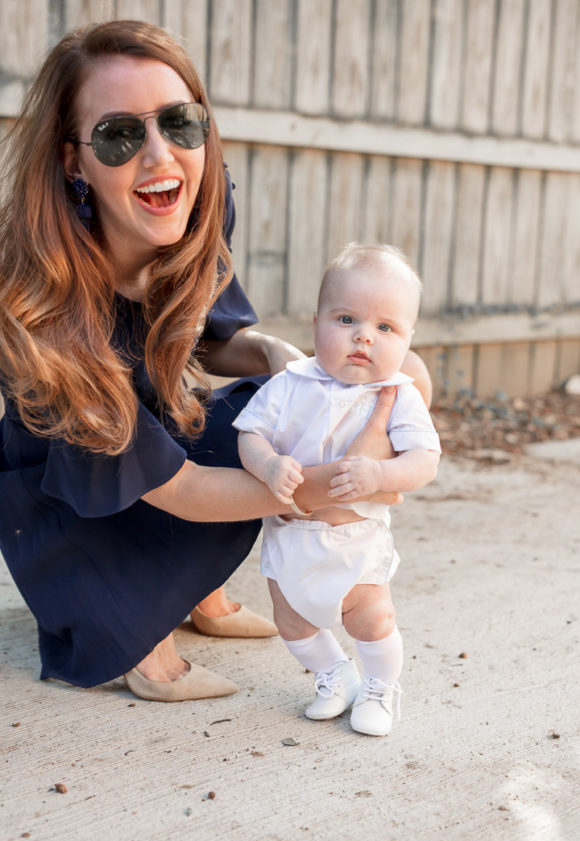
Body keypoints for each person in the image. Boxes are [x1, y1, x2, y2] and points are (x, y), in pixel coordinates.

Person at [0, 20, 430, 704]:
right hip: (73, 486)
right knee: (257, 453)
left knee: (306, 392)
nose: (160, 156)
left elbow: (207, 337)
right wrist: (338, 484)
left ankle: (195, 590)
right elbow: (183, 489)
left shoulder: (194, 203)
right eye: (119, 135)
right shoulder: (43, 314)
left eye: (179, 123)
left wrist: (285, 361)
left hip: (159, 423)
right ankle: (132, 624)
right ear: (73, 161)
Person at [234, 244, 441, 735]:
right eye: (346, 319)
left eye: (385, 328)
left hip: (354, 541)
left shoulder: (397, 394)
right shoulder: (290, 382)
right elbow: (250, 433)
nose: (363, 336)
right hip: (289, 536)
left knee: (370, 618)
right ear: (316, 324)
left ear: (408, 339)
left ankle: (379, 688)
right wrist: (267, 465)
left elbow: (424, 460)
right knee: (293, 623)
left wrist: (381, 476)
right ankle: (334, 676)